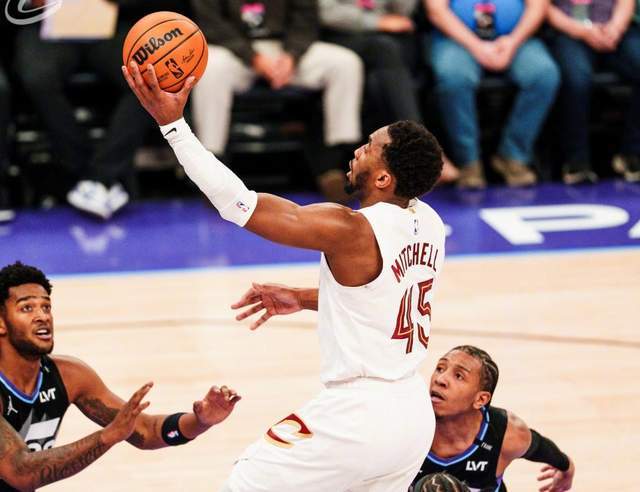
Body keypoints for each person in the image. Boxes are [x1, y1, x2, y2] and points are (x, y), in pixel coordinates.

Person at [123, 60, 446, 491]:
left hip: (359, 415)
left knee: (245, 484)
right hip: (412, 415)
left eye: (370, 147)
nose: (358, 150)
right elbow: (384, 297)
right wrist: (306, 297)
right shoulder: (429, 222)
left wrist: (173, 126)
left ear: (385, 178)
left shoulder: (350, 229)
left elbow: (240, 204)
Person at [0, 261, 240, 491]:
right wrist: (106, 437)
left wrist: (200, 422)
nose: (42, 316)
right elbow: (21, 473)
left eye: (46, 307)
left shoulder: (69, 376)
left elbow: (146, 431)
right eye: (27, 308)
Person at [13, 0, 188, 219]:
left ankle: (99, 177)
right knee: (37, 79)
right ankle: (93, 176)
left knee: (149, 76)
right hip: (45, 25)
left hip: (114, 23)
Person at [190, 0, 364, 203]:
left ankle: (336, 167)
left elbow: (306, 20)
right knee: (209, 69)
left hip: (285, 49)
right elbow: (211, 23)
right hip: (232, 50)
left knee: (345, 64)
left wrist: (292, 56)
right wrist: (253, 57)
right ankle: (213, 174)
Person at [425, 0, 560, 189]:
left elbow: (538, 6)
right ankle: (468, 162)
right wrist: (477, 46)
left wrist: (513, 42)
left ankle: (512, 156)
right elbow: (436, 11)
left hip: (517, 38)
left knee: (544, 75)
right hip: (456, 39)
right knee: (454, 79)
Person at [411, 345, 575, 492]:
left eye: (459, 376)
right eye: (440, 368)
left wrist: (566, 467)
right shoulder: (408, 423)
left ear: (480, 399)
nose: (440, 380)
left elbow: (538, 446)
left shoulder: (505, 433)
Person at [547, 0, 640, 183]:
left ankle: (632, 153)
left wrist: (615, 28)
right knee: (577, 80)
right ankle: (576, 161)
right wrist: (582, 31)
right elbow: (542, 7)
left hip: (614, 29)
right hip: (568, 31)